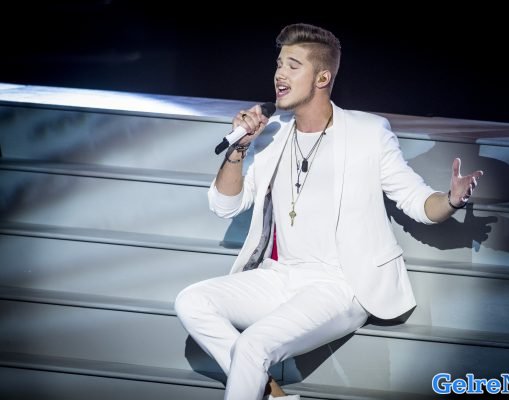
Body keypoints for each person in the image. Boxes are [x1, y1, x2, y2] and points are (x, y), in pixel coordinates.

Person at [175, 23, 483, 400]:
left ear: (322, 77)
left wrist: (451, 199)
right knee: (191, 300)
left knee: (253, 345)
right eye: (279, 64)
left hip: (340, 284)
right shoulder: (273, 133)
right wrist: (240, 148)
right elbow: (225, 206)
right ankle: (272, 393)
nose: (280, 74)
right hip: (280, 276)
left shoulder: (368, 132)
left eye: (293, 66)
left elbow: (417, 201)